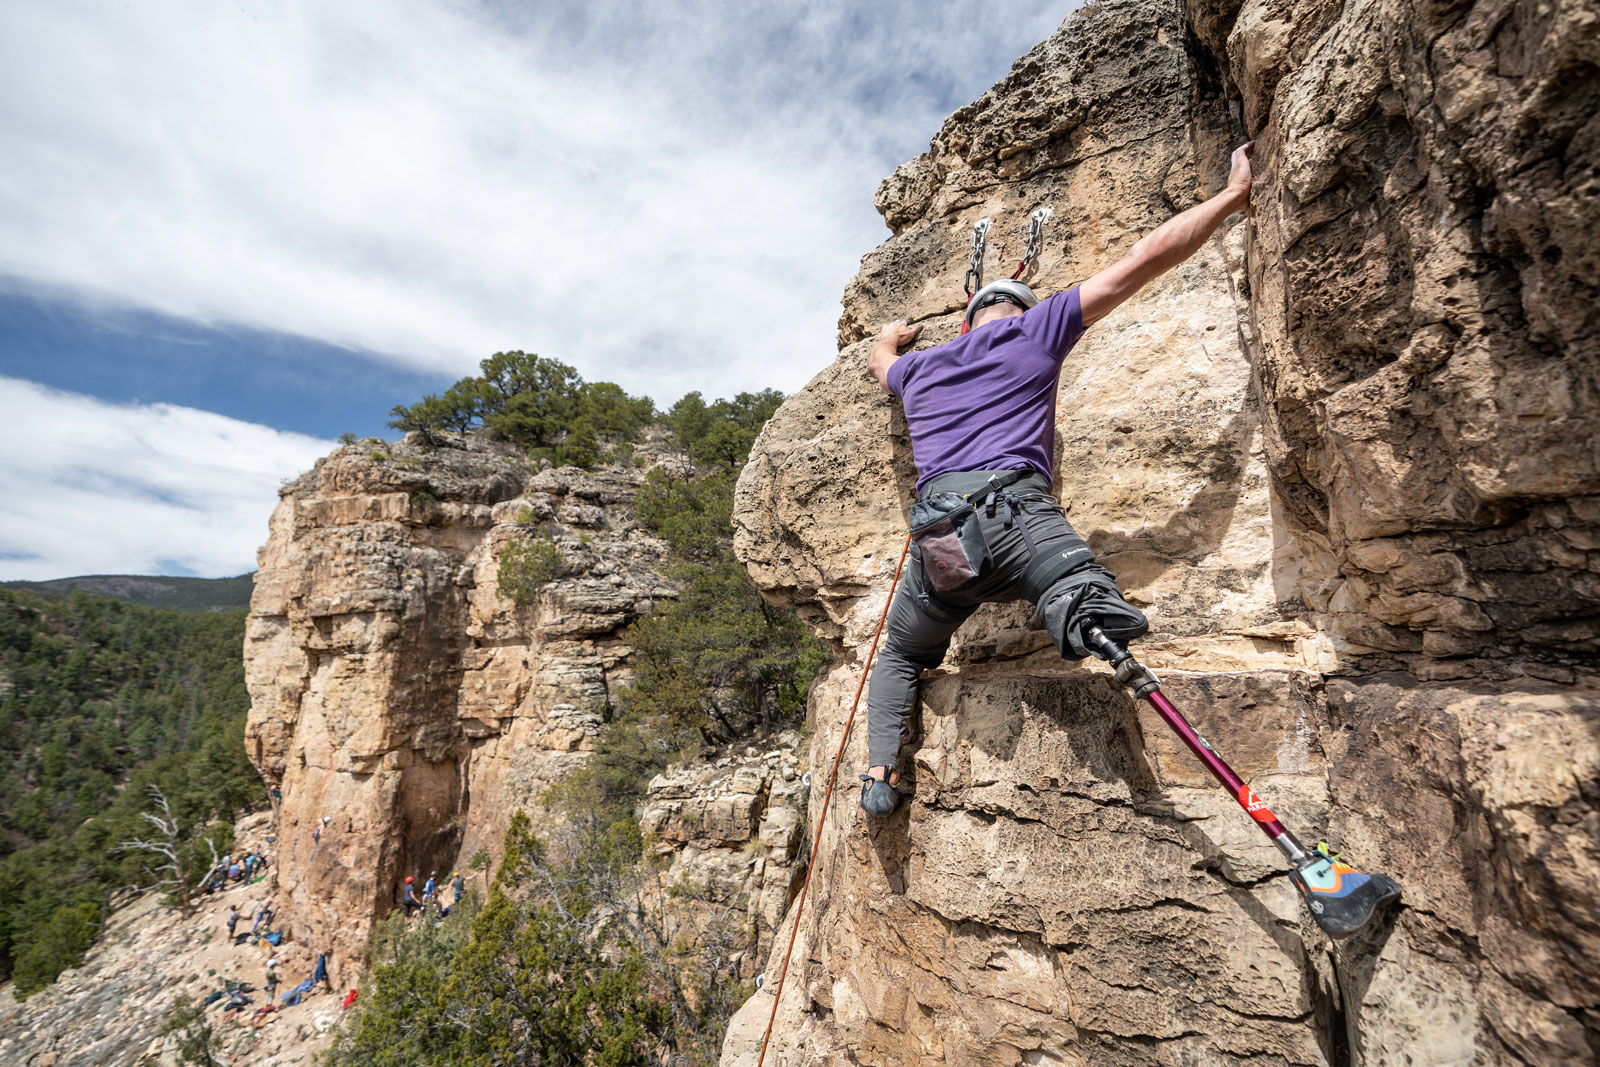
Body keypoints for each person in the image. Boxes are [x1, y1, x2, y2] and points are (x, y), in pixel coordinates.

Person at [859, 143, 1256, 816]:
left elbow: (878, 358)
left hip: (941, 547)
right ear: (1021, 307)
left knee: (899, 650)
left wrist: (895, 334)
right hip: (1014, 519)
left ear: (969, 318)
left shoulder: (919, 370)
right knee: (1075, 589)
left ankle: (878, 777)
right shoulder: (1036, 330)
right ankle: (1088, 621)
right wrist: (1229, 197)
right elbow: (1144, 260)